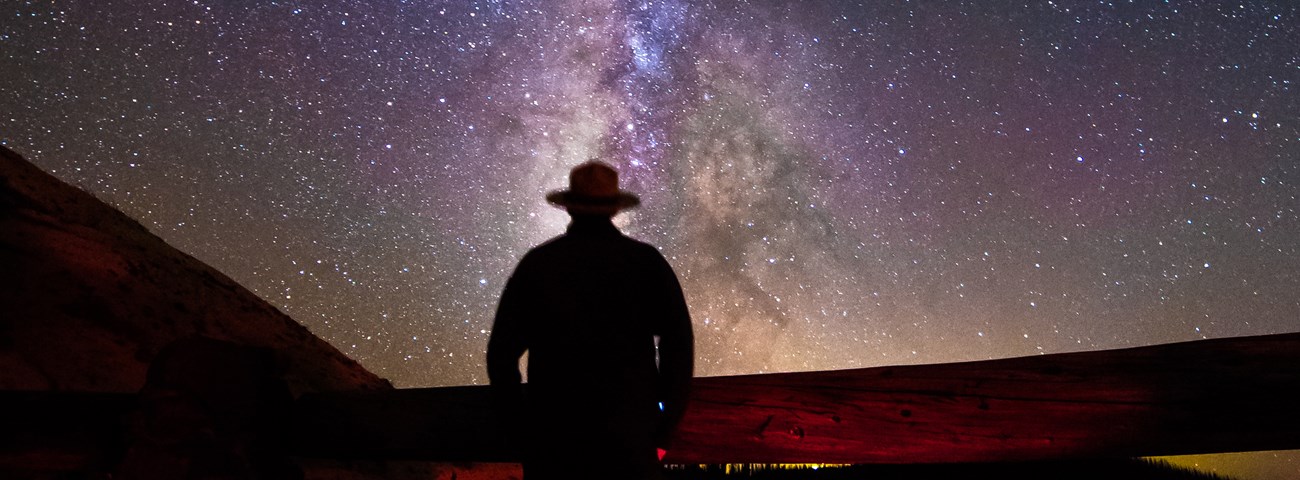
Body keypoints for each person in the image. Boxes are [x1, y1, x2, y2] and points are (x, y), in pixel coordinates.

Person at [487, 161, 694, 480]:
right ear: (614, 209)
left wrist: (522, 430)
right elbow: (678, 347)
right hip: (631, 443)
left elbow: (501, 355)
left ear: (569, 208)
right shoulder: (645, 263)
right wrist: (663, 432)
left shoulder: (539, 265)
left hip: (555, 444)